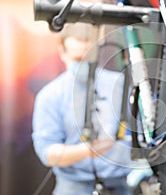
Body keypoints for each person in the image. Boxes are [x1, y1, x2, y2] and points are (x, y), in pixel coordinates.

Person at [32, 23, 133, 195]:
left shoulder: (120, 85)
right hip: (72, 188)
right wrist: (87, 151)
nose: (84, 64)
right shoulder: (50, 95)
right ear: (62, 51)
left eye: (88, 58)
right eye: (78, 59)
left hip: (120, 186)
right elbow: (47, 152)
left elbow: (144, 132)